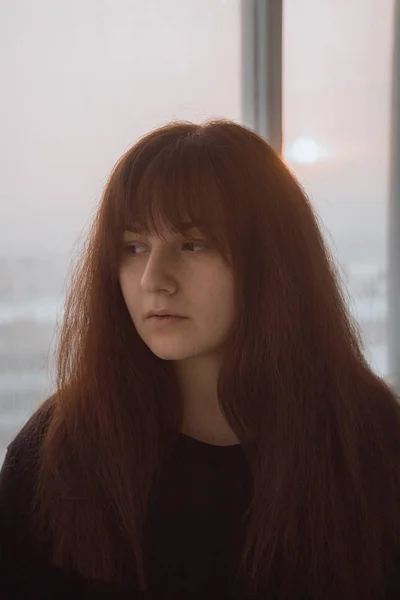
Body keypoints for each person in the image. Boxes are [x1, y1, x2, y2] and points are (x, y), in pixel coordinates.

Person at [1, 119, 400, 600]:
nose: (153, 278)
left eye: (193, 244)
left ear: (272, 261)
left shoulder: (371, 443)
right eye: (133, 247)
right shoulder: (58, 451)